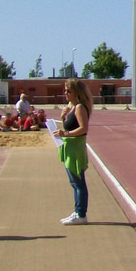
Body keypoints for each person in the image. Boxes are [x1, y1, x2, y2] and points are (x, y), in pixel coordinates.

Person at [52, 78, 93, 225]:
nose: (65, 93)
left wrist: (65, 134)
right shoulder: (73, 107)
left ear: (77, 92)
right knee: (74, 182)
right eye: (65, 90)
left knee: (79, 182)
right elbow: (69, 126)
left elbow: (83, 128)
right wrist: (63, 117)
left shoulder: (80, 107)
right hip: (69, 148)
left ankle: (81, 214)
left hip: (75, 149)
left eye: (69, 91)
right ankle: (77, 211)